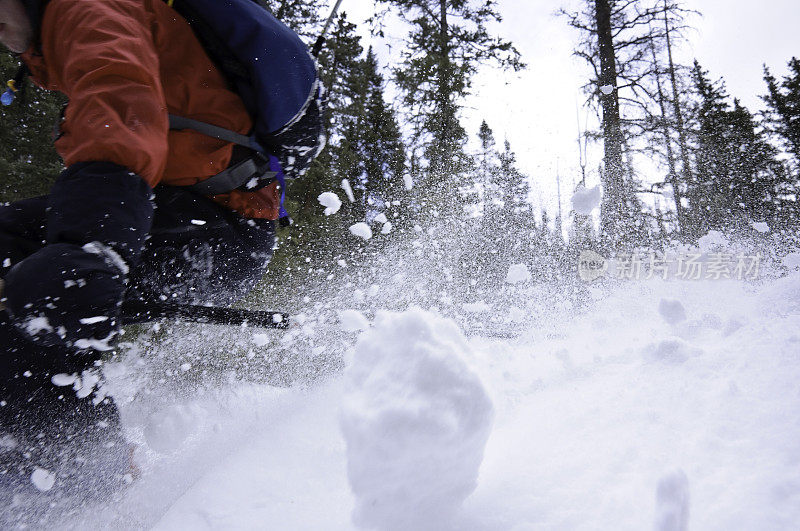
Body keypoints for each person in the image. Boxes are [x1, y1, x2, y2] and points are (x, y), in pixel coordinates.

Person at [0, 0, 295, 514]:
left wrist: (91, 247)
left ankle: (72, 487)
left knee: (38, 285)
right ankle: (69, 465)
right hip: (199, 221)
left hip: (214, 231)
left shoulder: (88, 8)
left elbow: (120, 102)